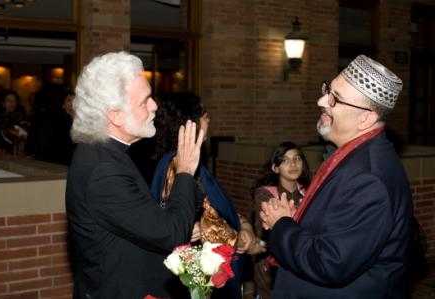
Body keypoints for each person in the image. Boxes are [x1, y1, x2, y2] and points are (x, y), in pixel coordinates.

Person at [260, 55, 413, 299]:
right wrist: (290, 219)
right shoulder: (348, 155)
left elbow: (330, 262)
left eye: (335, 98)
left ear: (366, 119)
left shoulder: (369, 179)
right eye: (326, 90)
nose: (322, 100)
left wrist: (281, 226)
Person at [65, 52, 204, 299]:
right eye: (145, 101)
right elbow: (169, 234)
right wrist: (184, 171)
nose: (154, 106)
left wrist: (180, 223)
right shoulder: (103, 169)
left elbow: (139, 221)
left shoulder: (103, 152)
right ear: (115, 115)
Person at [151, 92, 263, 299]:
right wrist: (239, 238)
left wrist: (244, 225)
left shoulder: (190, 164)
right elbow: (177, 225)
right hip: (202, 280)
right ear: (189, 123)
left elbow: (213, 209)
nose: (208, 118)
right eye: (202, 113)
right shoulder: (178, 166)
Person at [250, 141, 311, 299]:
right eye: (285, 160)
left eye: (297, 158)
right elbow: (266, 232)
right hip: (271, 270)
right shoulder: (265, 194)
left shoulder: (309, 193)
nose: (293, 164)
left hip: (300, 264)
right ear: (275, 168)